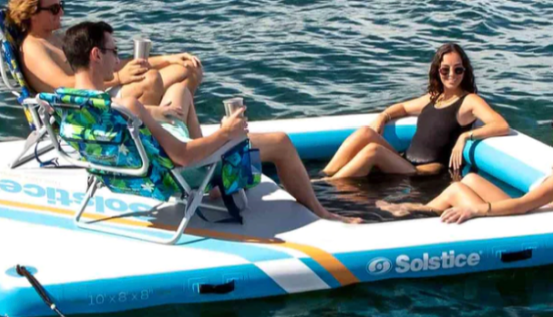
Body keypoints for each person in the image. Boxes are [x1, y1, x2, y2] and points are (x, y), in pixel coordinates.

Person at [62, 21, 354, 223]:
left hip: (123, 171)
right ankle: (320, 211)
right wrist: (226, 133)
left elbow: (134, 122)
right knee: (280, 142)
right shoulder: (127, 106)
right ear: (96, 54)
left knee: (180, 91)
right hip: (175, 175)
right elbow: (183, 156)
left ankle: (215, 179)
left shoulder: (68, 103)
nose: (118, 60)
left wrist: (153, 114)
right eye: (114, 51)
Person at [378, 102, 553, 222]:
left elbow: (523, 205)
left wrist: (475, 210)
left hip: (526, 222)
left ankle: (416, 213)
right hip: (535, 213)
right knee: (472, 178)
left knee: (456, 189)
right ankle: (419, 209)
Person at [6, 0, 202, 106]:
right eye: (55, 9)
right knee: (151, 80)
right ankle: (146, 139)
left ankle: (172, 128)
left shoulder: (56, 38)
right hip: (85, 105)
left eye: (61, 5)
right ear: (32, 13)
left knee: (188, 70)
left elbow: (105, 63)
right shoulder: (33, 48)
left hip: (102, 90)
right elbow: (65, 87)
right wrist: (119, 78)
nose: (62, 12)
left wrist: (169, 59)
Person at [322, 43, 509, 179]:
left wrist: (465, 137)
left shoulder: (468, 101)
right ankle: (323, 176)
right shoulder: (434, 97)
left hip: (423, 172)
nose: (451, 75)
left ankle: (328, 186)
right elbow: (403, 108)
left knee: (374, 151)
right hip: (405, 160)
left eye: (458, 70)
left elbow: (500, 125)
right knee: (365, 132)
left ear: (465, 71)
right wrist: (382, 117)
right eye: (445, 70)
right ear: (437, 71)